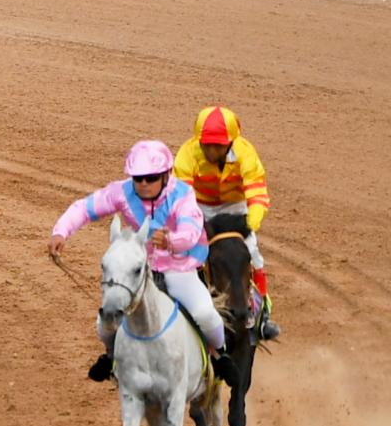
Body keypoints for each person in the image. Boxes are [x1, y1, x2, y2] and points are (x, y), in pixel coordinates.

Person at [49, 139, 236, 385]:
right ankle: (111, 356)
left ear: (166, 175)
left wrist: (171, 240)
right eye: (138, 179)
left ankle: (219, 356)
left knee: (204, 314)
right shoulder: (121, 192)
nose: (143, 184)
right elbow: (85, 208)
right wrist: (60, 231)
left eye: (151, 178)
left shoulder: (183, 195)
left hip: (179, 267)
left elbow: (191, 231)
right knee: (106, 321)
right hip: (141, 269)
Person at [174, 104, 279, 339]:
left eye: (218, 145)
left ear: (230, 142)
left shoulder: (246, 153)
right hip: (197, 206)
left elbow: (257, 193)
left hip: (234, 207)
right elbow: (181, 196)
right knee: (187, 255)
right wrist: (192, 224)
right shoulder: (186, 154)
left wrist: (251, 223)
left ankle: (262, 317)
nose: (211, 150)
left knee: (252, 253)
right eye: (207, 144)